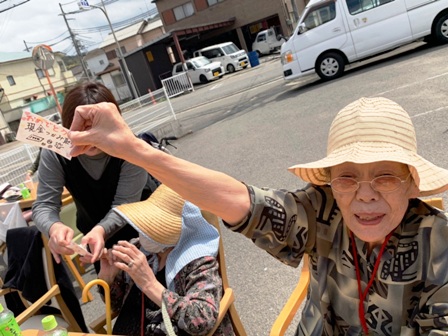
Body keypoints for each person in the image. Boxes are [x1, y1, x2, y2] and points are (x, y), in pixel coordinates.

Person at [68, 97, 448, 335]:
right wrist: (135, 150)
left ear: (412, 183)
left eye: (385, 176)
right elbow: (241, 201)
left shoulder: (440, 245)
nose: (365, 194)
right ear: (331, 183)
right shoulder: (322, 210)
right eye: (347, 176)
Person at [32, 81, 148, 271]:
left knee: (153, 292)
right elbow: (44, 204)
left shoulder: (130, 146)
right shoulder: (56, 152)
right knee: (111, 295)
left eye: (96, 127)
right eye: (80, 128)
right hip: (92, 240)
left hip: (145, 232)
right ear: (67, 126)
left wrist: (101, 230)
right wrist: (54, 227)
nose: (89, 137)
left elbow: (125, 204)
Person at [98, 184, 234, 336]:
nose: (141, 233)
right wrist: (108, 277)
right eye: (141, 225)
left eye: (149, 227)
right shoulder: (140, 249)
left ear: (173, 232)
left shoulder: (198, 262)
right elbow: (116, 306)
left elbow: (201, 321)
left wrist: (150, 285)